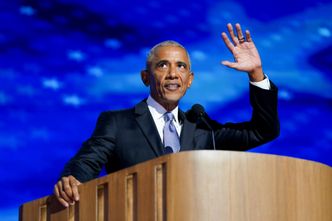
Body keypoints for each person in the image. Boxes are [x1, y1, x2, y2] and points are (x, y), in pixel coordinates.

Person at [54, 23, 280, 207]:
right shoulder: (117, 122)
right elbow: (87, 161)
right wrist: (74, 180)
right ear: (145, 77)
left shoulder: (203, 127)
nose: (173, 74)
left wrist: (256, 74)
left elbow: (263, 130)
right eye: (163, 65)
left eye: (181, 66)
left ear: (190, 80)